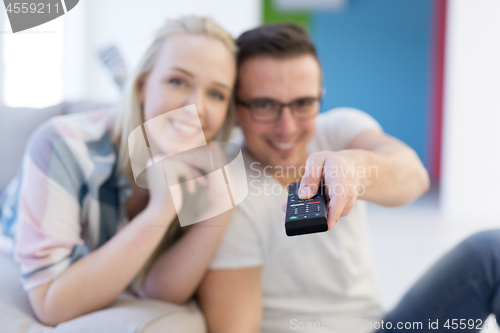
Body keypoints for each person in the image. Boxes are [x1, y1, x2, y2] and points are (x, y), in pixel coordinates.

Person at [197, 23, 500, 333]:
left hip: (376, 327)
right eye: (264, 105)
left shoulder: (339, 130)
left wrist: (354, 167)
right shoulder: (227, 186)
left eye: (303, 104)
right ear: (236, 107)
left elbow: (414, 177)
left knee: (492, 251)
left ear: (319, 96)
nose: (286, 127)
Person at [0, 16, 237, 327]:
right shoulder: (62, 143)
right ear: (142, 86)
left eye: (216, 94)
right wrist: (160, 211)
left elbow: (157, 290)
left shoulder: (201, 165)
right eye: (177, 81)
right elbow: (51, 304)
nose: (196, 107)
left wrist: (221, 207)